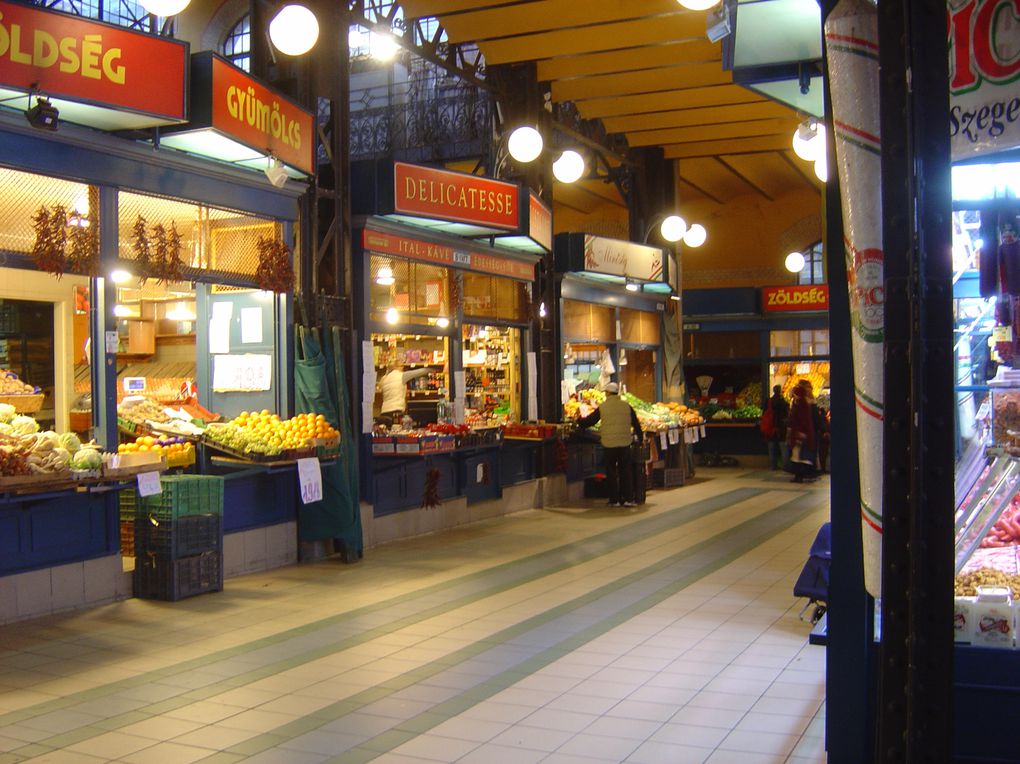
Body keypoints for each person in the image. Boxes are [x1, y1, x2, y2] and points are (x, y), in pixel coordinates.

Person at [577, 382, 643, 507]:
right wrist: (640, 437)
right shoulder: (626, 406)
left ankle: (614, 500)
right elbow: (636, 423)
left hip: (609, 444)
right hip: (624, 443)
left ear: (607, 393)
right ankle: (628, 498)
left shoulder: (603, 407)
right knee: (625, 470)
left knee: (611, 471)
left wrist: (579, 421)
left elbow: (590, 421)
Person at [378, 362, 430, 427]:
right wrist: (432, 369)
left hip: (384, 412)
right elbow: (419, 372)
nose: (403, 368)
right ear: (397, 367)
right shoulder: (401, 375)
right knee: (397, 433)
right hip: (396, 411)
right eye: (402, 366)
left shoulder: (384, 379)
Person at [786, 380, 817, 483]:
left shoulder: (801, 405)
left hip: (800, 435)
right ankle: (801, 475)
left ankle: (801, 475)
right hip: (801, 434)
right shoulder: (801, 404)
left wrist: (800, 432)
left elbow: (802, 420)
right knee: (800, 456)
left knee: (800, 456)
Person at [765, 385, 790, 471]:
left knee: (771, 447)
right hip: (780, 427)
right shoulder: (783, 402)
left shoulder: (769, 401)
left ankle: (773, 466)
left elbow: (764, 413)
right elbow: (786, 413)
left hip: (771, 426)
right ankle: (786, 466)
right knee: (783, 447)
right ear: (780, 391)